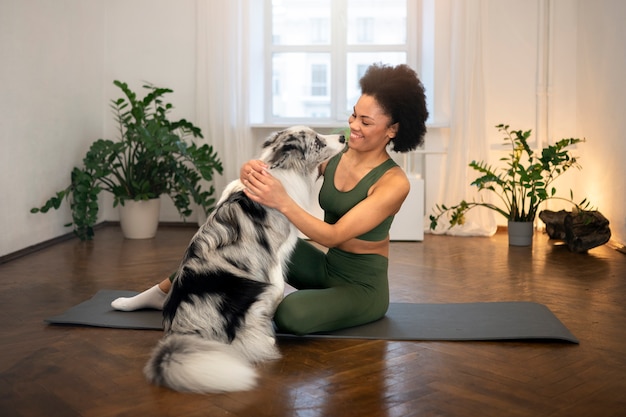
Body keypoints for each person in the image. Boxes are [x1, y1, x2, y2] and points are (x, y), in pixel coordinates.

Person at [112, 63, 428, 335]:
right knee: (236, 233)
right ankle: (163, 291)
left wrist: (283, 201)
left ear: (393, 130)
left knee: (289, 315)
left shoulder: (393, 182)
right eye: (354, 115)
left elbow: (333, 235)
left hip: (361, 287)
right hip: (325, 267)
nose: (353, 126)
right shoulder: (340, 153)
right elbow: (284, 167)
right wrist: (251, 168)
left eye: (366, 122)